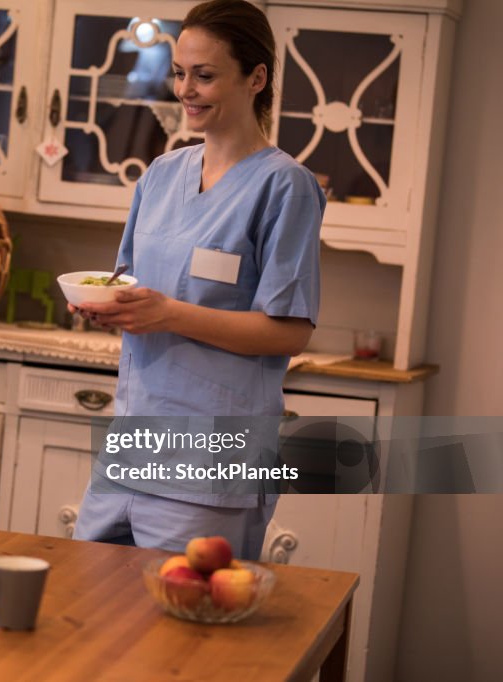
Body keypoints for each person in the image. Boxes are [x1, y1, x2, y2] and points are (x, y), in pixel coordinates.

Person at [71, 0, 325, 559]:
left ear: (256, 78)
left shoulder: (285, 187)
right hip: (131, 445)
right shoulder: (162, 175)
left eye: (205, 76)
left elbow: (289, 332)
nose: (187, 89)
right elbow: (129, 282)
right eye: (181, 73)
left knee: (187, 635)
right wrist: (106, 304)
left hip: (210, 465)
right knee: (88, 616)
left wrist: (168, 314)